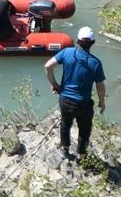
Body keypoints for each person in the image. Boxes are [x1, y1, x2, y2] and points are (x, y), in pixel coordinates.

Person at [45, 26, 106, 158]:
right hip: (83, 104)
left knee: (65, 123)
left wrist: (55, 85)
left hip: (65, 100)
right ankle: (81, 156)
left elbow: (48, 66)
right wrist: (102, 102)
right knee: (84, 129)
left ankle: (65, 149)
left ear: (77, 41)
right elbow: (100, 86)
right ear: (93, 43)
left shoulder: (67, 52)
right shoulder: (95, 63)